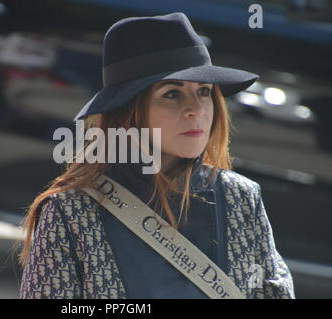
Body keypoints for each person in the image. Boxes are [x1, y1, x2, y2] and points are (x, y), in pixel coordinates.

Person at [17, 12, 295, 299]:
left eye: (203, 91)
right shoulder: (70, 211)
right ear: (128, 111)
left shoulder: (240, 198)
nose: (197, 110)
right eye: (172, 94)